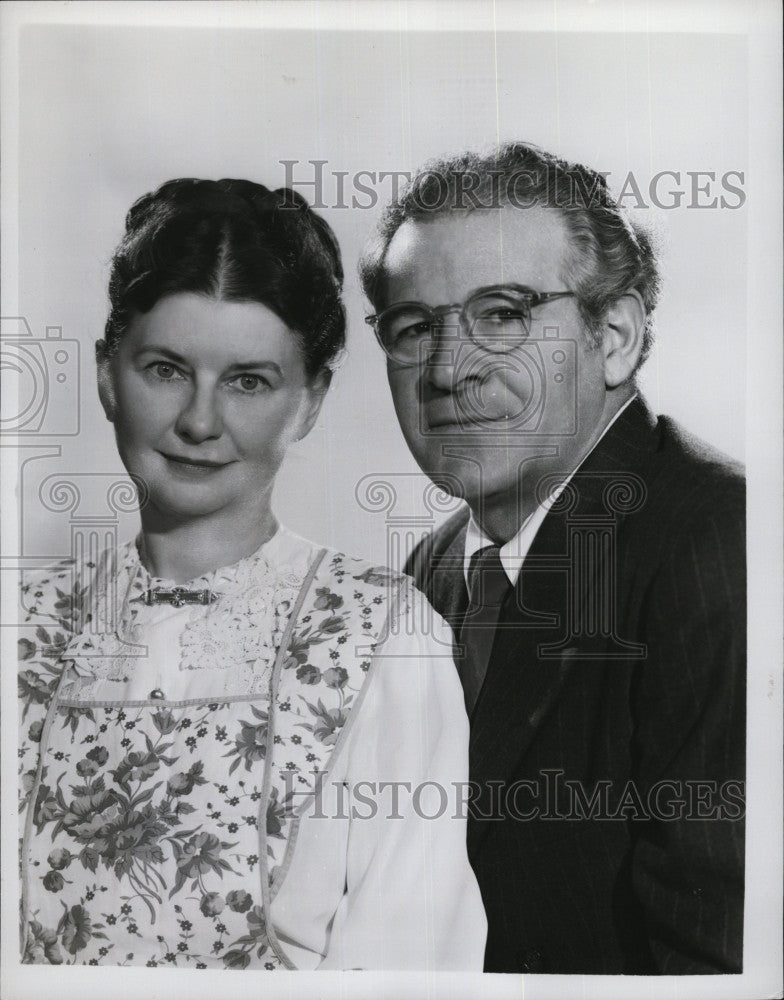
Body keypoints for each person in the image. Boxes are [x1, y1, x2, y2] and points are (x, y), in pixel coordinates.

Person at [17, 178, 486, 970]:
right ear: (106, 375)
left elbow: (413, 972)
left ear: (308, 401)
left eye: (248, 381)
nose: (200, 421)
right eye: (166, 370)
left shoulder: (384, 640)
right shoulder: (21, 625)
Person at [360, 142, 746, 975]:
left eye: (502, 314)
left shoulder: (721, 542)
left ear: (613, 337)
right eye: (414, 326)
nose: (449, 369)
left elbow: (718, 961)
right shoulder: (427, 577)